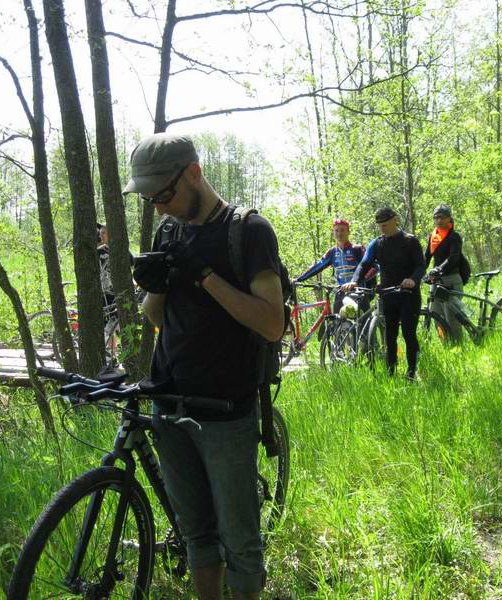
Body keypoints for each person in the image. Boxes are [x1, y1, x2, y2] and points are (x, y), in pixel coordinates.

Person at [123, 132, 284, 600]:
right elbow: (154, 317)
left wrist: (206, 276)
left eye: (164, 195)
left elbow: (272, 323)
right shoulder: (169, 231)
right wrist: (158, 284)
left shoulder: (249, 231)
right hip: (169, 398)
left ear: (193, 173)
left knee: (240, 542)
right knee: (196, 535)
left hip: (225, 410)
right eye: (150, 199)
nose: (158, 207)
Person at [343, 207, 425, 379]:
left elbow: (420, 266)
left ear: (395, 220)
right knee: (390, 336)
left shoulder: (410, 241)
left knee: (408, 333)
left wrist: (413, 279)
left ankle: (411, 372)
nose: (382, 228)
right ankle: (391, 372)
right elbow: (364, 264)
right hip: (388, 295)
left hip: (409, 295)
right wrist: (355, 280)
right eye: (380, 226)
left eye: (385, 225)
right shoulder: (377, 243)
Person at [294, 218, 375, 313]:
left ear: (348, 232)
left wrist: (358, 281)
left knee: (362, 325)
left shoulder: (357, 249)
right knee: (336, 324)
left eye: (342, 230)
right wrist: (299, 279)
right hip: (341, 292)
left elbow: (374, 267)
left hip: (359, 291)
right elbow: (318, 266)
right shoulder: (332, 252)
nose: (339, 233)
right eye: (336, 230)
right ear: (333, 233)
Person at [424, 204, 466, 341]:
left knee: (452, 317)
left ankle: (459, 346)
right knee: (437, 315)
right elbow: (426, 258)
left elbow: (454, 257)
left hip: (452, 280)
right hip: (436, 282)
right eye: (436, 218)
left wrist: (438, 269)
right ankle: (446, 345)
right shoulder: (432, 237)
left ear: (449, 219)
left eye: (442, 217)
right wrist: (417, 273)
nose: (438, 220)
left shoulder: (454, 237)